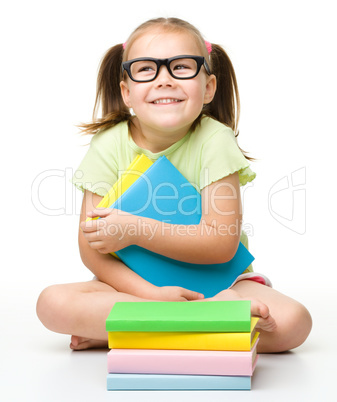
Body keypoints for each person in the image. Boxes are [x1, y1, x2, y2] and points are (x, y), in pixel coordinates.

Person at [36, 17, 312, 353]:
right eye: (146, 69)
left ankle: (139, 329)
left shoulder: (215, 140)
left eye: (181, 67)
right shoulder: (108, 145)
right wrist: (150, 294)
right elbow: (92, 250)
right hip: (135, 289)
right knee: (51, 303)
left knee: (294, 323)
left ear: (208, 87)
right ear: (126, 92)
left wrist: (137, 230)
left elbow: (221, 243)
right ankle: (200, 322)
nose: (164, 81)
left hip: (221, 285)